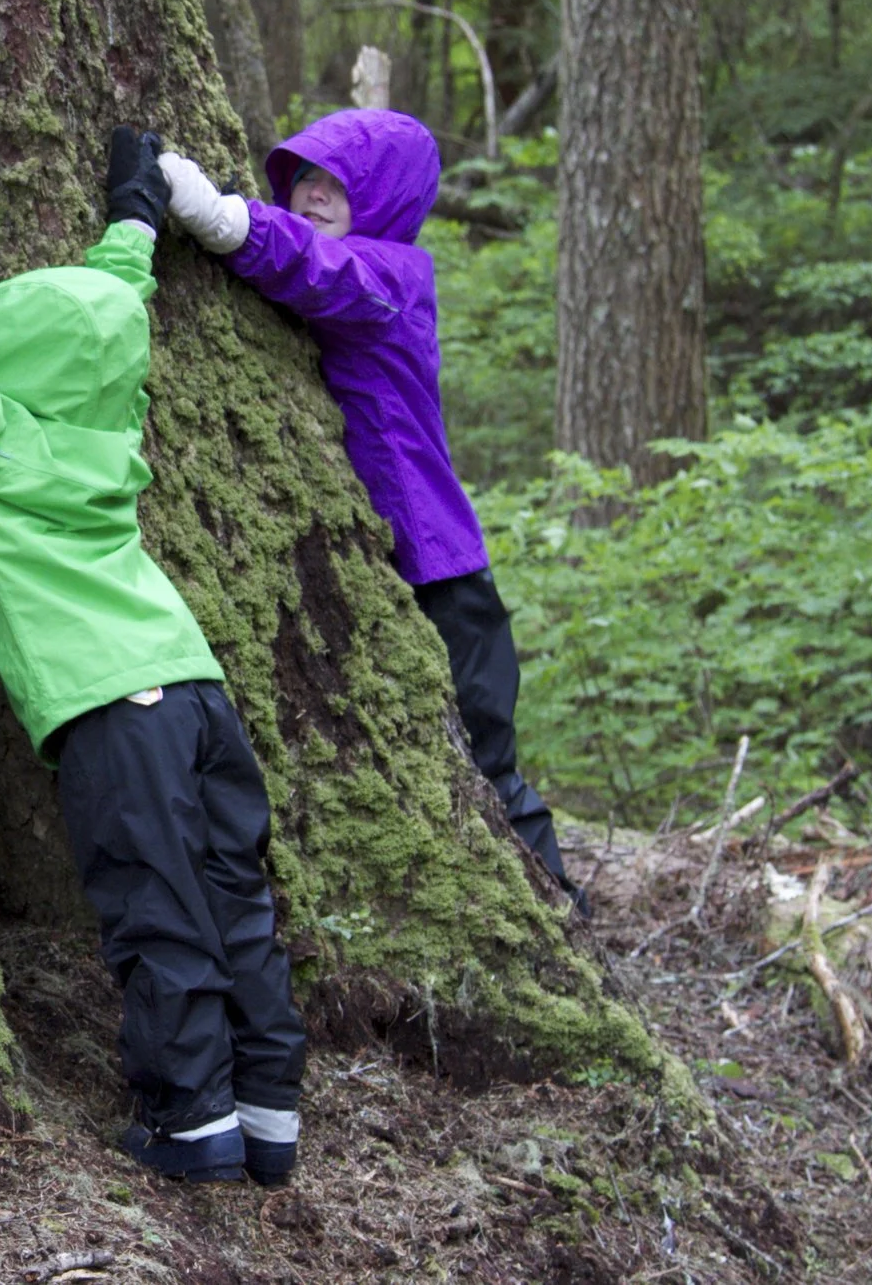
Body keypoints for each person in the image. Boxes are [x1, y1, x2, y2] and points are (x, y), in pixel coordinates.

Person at [0, 127, 306, 1186]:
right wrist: (133, 211)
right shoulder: (115, 416)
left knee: (156, 904)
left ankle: (193, 1120)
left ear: (9, 362)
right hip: (197, 688)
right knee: (235, 901)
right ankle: (268, 1106)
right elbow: (116, 302)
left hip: (111, 707)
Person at [157, 110, 586, 915]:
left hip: (445, 575)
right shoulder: (355, 264)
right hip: (406, 563)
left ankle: (560, 904)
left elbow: (322, 270)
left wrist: (221, 217)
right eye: (305, 178)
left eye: (338, 183)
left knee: (488, 760)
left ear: (385, 196)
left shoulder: (393, 276)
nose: (314, 194)